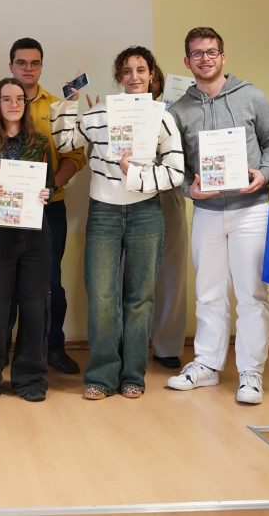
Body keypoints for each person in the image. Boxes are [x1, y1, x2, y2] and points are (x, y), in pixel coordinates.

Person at [52, 47, 184, 400]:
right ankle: (101, 376)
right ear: (119, 77)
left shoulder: (162, 117)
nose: (134, 77)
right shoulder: (99, 113)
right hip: (104, 213)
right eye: (127, 71)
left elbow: (175, 172)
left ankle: (133, 375)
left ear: (152, 75)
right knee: (102, 296)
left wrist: (135, 174)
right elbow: (65, 142)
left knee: (140, 298)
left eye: (141, 70)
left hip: (146, 212)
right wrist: (69, 103)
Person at [166, 27, 269, 405]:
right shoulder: (178, 111)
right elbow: (175, 166)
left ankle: (251, 373)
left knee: (252, 293)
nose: (205, 59)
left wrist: (264, 173)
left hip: (252, 209)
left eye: (211, 52)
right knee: (208, 292)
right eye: (197, 54)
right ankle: (207, 364)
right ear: (187, 61)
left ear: (223, 56)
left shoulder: (252, 96)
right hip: (207, 211)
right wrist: (190, 190)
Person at [0, 38, 87, 374]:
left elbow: (75, 155)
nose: (28, 68)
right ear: (11, 66)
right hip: (2, 212)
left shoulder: (59, 106)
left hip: (48, 209)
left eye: (35, 63)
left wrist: (49, 187)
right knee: (1, 288)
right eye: (22, 62)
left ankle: (51, 350)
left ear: (41, 67)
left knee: (48, 285)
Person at [0, 77, 53, 403]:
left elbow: (49, 186)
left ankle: (30, 378)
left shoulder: (40, 143)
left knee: (34, 305)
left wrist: (46, 193)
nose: (14, 104)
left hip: (34, 233)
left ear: (25, 104)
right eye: (6, 99)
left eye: (19, 98)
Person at [150, 65, 189, 370]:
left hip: (168, 194)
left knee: (171, 273)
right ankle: (127, 342)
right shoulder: (117, 111)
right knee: (125, 274)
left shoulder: (177, 110)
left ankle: (167, 345)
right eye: (132, 72)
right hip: (129, 196)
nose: (141, 79)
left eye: (148, 73)